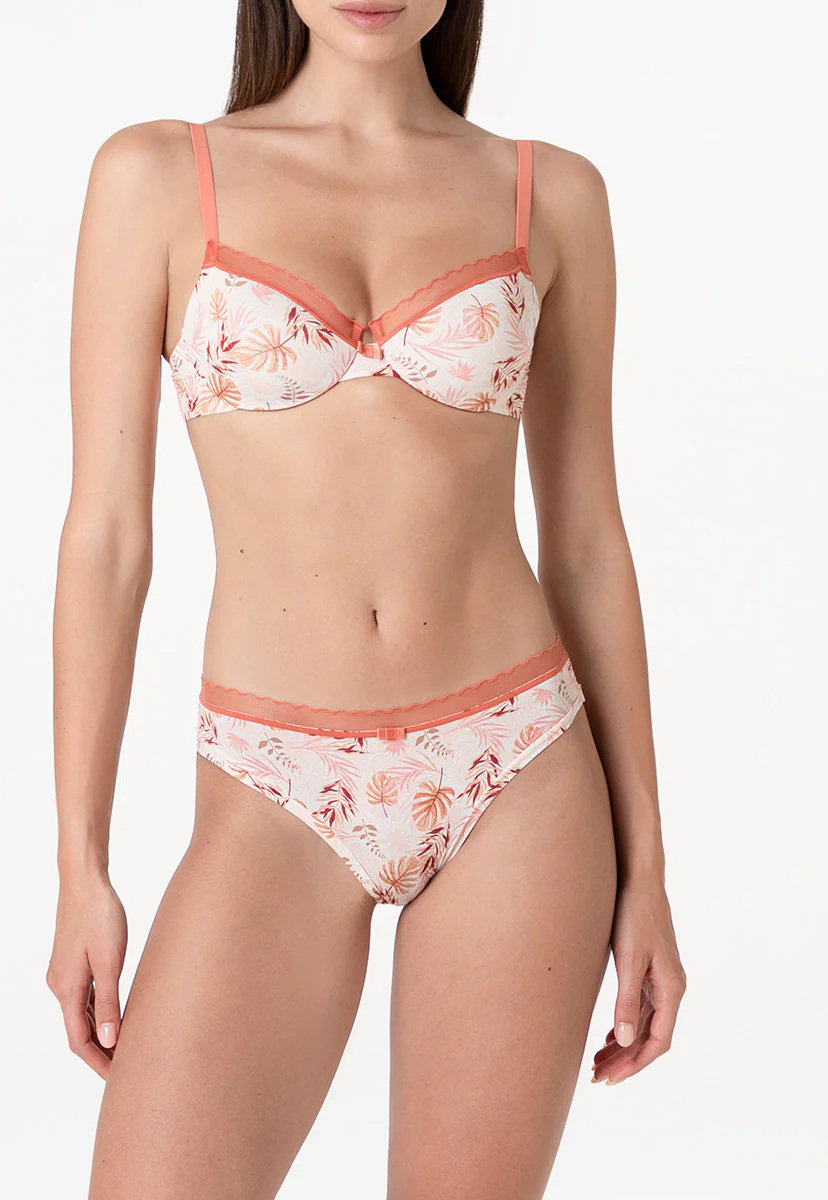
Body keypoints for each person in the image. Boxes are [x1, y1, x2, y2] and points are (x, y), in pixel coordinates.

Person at [47, 2, 687, 1196]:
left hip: (519, 766)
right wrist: (81, 866)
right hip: (270, 785)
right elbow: (106, 543)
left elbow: (589, 545)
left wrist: (646, 870)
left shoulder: (551, 194)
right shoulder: (156, 177)